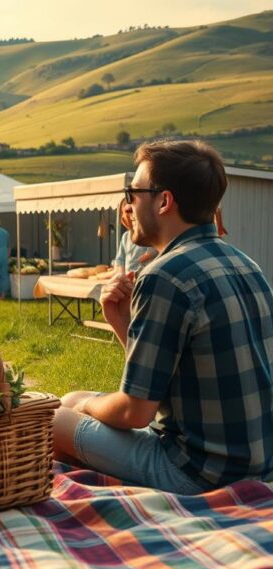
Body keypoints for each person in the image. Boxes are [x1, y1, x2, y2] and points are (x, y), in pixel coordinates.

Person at [53, 140, 273, 494]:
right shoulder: (246, 265)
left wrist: (84, 406)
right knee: (73, 400)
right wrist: (120, 322)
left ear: (164, 201)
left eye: (133, 192)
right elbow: (170, 377)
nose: (128, 206)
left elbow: (135, 412)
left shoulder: (165, 275)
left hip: (198, 474)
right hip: (257, 465)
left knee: (54, 416)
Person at [112, 200, 156, 276]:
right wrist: (120, 273)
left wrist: (147, 255)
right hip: (128, 277)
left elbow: (152, 253)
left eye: (131, 211)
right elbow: (120, 259)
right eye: (124, 213)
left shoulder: (149, 233)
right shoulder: (125, 236)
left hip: (144, 275)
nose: (129, 216)